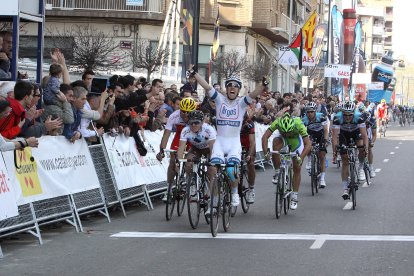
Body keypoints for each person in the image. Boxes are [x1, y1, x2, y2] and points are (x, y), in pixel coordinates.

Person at [191, 64, 267, 207]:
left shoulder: (241, 103)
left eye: (235, 86)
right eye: (229, 86)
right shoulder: (219, 99)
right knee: (212, 170)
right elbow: (207, 87)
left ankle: (234, 192)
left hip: (233, 143)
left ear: (239, 90)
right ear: (226, 88)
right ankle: (213, 202)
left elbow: (253, 94)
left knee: (232, 170)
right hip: (219, 142)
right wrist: (195, 74)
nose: (232, 88)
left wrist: (263, 85)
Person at [261, 111, 311, 210]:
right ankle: (277, 172)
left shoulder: (298, 124)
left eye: (288, 131)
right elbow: (265, 137)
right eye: (284, 131)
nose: (287, 133)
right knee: (275, 145)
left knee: (297, 167)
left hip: (296, 141)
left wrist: (300, 158)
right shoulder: (277, 122)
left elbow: (308, 144)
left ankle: (294, 196)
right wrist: (265, 153)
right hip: (282, 139)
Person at [156, 97, 197, 201]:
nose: (186, 114)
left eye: (189, 112)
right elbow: (166, 135)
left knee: (189, 162)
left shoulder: (196, 117)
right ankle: (169, 189)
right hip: (179, 136)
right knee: (173, 161)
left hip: (192, 137)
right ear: (180, 109)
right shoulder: (174, 116)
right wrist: (161, 150)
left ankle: (190, 185)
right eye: (183, 112)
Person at [176, 110, 216, 213]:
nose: (193, 125)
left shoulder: (209, 129)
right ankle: (192, 183)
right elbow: (181, 148)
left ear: (202, 122)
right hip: (196, 148)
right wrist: (179, 161)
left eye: (196, 123)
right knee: (188, 163)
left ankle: (212, 199)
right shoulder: (185, 130)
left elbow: (213, 148)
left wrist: (211, 161)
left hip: (209, 148)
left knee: (212, 170)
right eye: (191, 123)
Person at [331, 101, 368, 199]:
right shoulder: (337, 118)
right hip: (344, 135)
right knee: (345, 160)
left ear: (353, 113)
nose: (347, 117)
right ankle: (345, 189)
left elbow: (364, 135)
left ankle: (360, 167)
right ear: (342, 113)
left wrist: (366, 148)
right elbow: (334, 136)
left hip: (356, 133)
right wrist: (335, 150)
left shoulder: (359, 117)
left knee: (361, 146)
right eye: (345, 115)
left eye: (350, 115)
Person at [302, 102, 329, 188]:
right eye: (308, 112)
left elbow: (325, 130)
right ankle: (310, 159)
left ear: (315, 111)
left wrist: (325, 140)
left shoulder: (321, 116)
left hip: (320, 134)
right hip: (310, 135)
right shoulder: (304, 119)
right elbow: (303, 134)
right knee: (308, 145)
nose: (309, 114)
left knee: (322, 155)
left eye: (311, 112)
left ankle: (322, 179)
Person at [240, 114, 256, 203]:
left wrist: (249, 155)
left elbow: (252, 143)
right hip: (236, 143)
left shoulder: (250, 123)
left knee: (251, 164)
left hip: (247, 144)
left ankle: (251, 189)